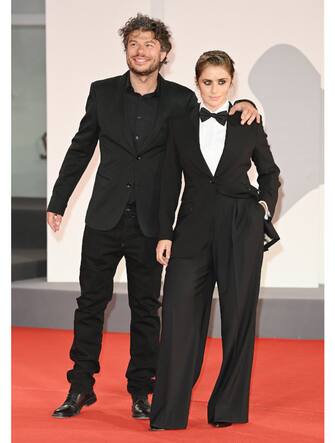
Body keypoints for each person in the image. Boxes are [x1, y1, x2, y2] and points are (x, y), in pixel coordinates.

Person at [47, 15, 260, 420]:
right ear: (125, 50)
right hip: (104, 217)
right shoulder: (102, 93)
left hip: (152, 223)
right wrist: (58, 200)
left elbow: (218, 109)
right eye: (133, 43)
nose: (140, 50)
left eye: (149, 44)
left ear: (164, 53)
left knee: (147, 307)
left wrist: (248, 105)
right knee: (91, 302)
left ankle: (141, 390)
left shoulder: (182, 100)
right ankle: (79, 387)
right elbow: (81, 148)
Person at [150, 50, 280, 430]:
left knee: (238, 317)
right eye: (207, 82)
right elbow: (169, 183)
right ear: (197, 82)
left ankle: (228, 409)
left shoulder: (248, 122)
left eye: (221, 82)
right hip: (190, 230)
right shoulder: (179, 123)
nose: (213, 89)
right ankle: (169, 413)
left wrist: (261, 210)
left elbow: (270, 173)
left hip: (240, 226)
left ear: (231, 83)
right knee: (177, 318)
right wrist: (164, 233)